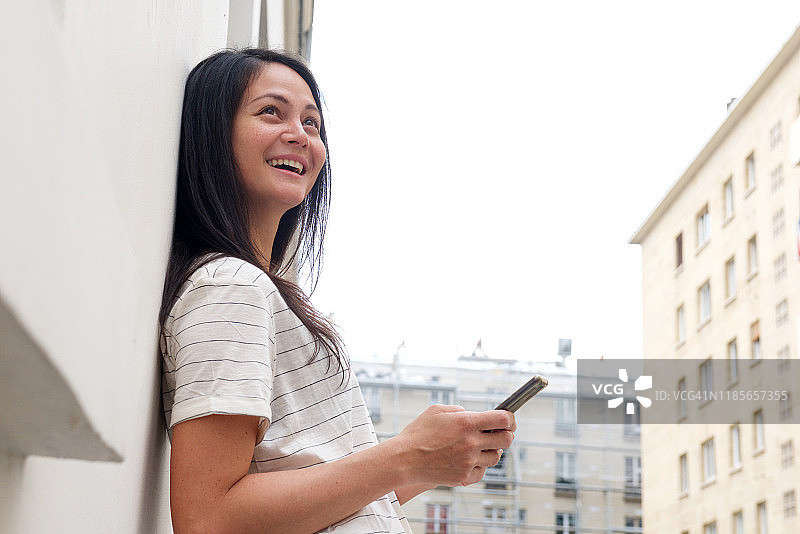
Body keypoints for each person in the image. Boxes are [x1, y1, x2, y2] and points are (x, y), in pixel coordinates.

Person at [159, 48, 516, 534]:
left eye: (312, 123)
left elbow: (300, 489)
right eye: (271, 112)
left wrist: (424, 463)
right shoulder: (230, 286)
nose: (300, 136)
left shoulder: (259, 291)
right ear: (212, 135)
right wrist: (405, 455)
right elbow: (209, 518)